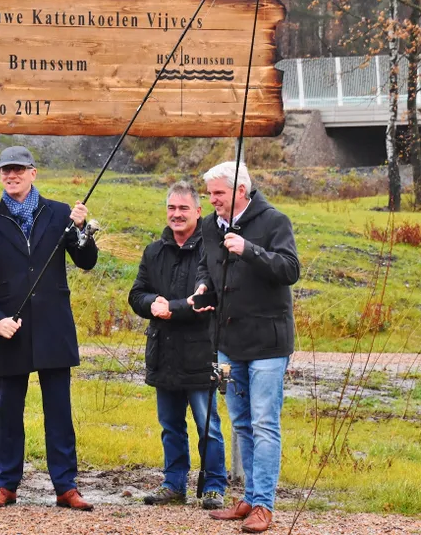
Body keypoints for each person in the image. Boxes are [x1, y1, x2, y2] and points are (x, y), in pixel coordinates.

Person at [0, 146, 98, 511]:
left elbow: (87, 261)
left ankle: (65, 486)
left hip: (53, 327)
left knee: (58, 410)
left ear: (33, 173)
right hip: (9, 330)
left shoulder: (61, 213)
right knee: (9, 411)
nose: (11, 176)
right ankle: (6, 485)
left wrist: (81, 230)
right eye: (5, 171)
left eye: (18, 170)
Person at [189, 161, 300, 533]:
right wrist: (204, 287)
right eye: (210, 194)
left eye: (218, 193)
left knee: (265, 423)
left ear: (240, 191)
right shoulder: (209, 226)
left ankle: (264, 506)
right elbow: (206, 266)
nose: (212, 200)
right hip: (228, 342)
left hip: (269, 342)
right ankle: (250, 498)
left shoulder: (275, 221)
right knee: (241, 423)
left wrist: (249, 249)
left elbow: (289, 270)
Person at [128, 181, 227, 511]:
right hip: (164, 354)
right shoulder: (153, 251)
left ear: (198, 212)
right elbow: (136, 293)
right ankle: (173, 484)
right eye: (172, 208)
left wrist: (172, 308)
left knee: (208, 426)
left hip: (201, 353)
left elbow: (209, 298)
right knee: (170, 427)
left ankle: (214, 487)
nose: (177, 214)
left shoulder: (211, 250)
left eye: (184, 208)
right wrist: (151, 302)